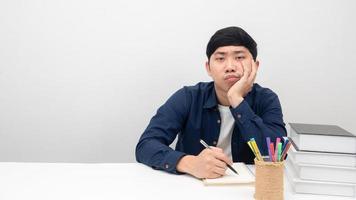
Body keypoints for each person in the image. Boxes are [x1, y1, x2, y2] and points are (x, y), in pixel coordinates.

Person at [135, 26, 287, 179]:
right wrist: (190, 163)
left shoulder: (267, 99)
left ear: (255, 65)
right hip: (192, 186)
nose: (230, 67)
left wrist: (236, 99)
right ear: (208, 67)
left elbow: (276, 155)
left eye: (239, 57)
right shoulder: (188, 97)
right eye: (220, 58)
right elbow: (146, 145)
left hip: (249, 190)